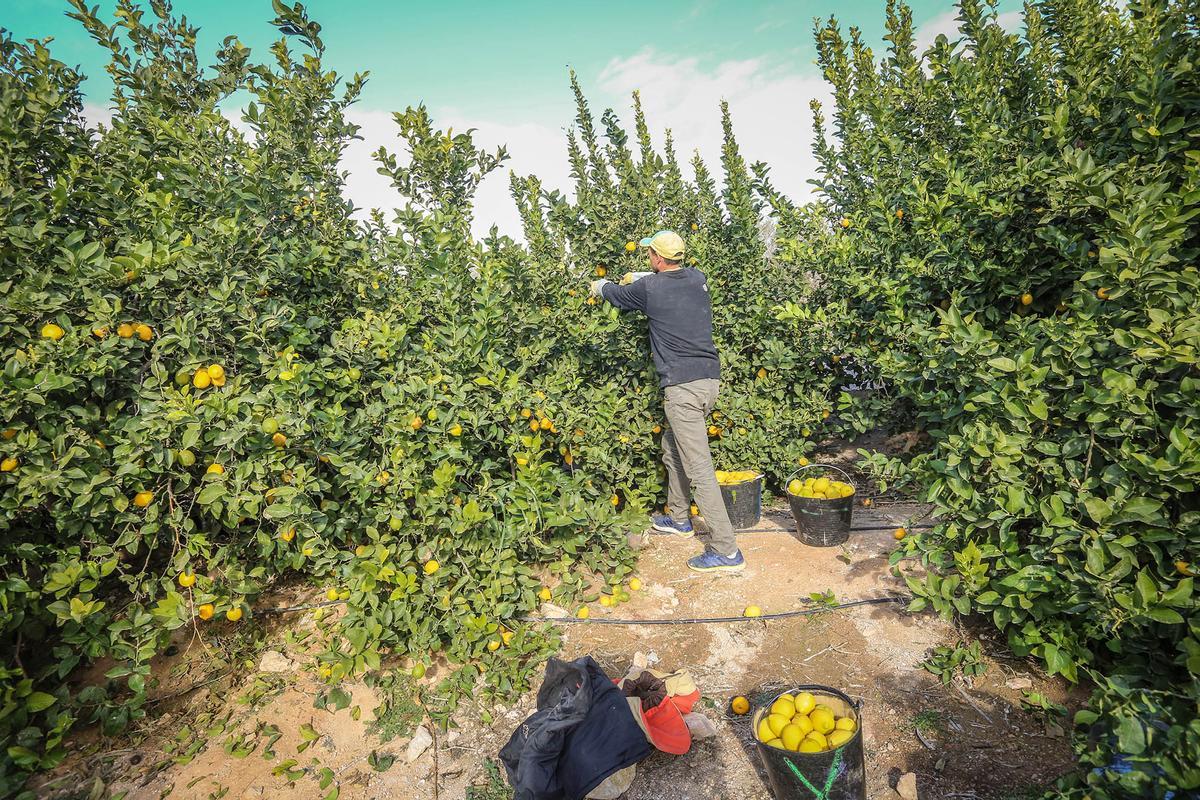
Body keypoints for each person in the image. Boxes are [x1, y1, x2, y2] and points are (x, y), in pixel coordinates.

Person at [590, 230, 744, 573]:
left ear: (658, 259)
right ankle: (678, 518)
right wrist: (642, 276)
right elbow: (660, 278)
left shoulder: (650, 288)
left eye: (650, 256)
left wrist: (598, 287)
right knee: (672, 447)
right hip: (708, 380)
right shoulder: (696, 278)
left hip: (682, 388)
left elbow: (616, 294)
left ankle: (726, 550)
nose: (649, 260)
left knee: (699, 468)